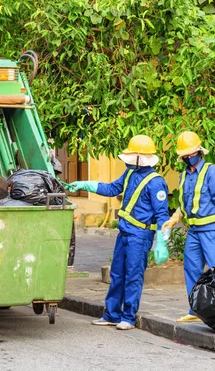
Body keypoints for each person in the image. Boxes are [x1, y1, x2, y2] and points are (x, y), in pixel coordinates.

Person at [68, 135, 169, 330]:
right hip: (124, 233)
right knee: (117, 274)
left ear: (141, 157)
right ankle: (112, 314)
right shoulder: (130, 173)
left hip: (140, 236)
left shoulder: (156, 183)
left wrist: (162, 242)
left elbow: (162, 215)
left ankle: (128, 317)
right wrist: (85, 184)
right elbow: (112, 188)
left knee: (133, 275)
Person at [161, 131, 215, 323]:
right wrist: (174, 219)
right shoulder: (184, 174)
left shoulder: (212, 171)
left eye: (190, 155)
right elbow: (184, 202)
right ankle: (196, 310)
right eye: (184, 156)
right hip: (193, 231)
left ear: (199, 152)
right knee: (191, 269)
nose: (187, 158)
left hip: (210, 230)